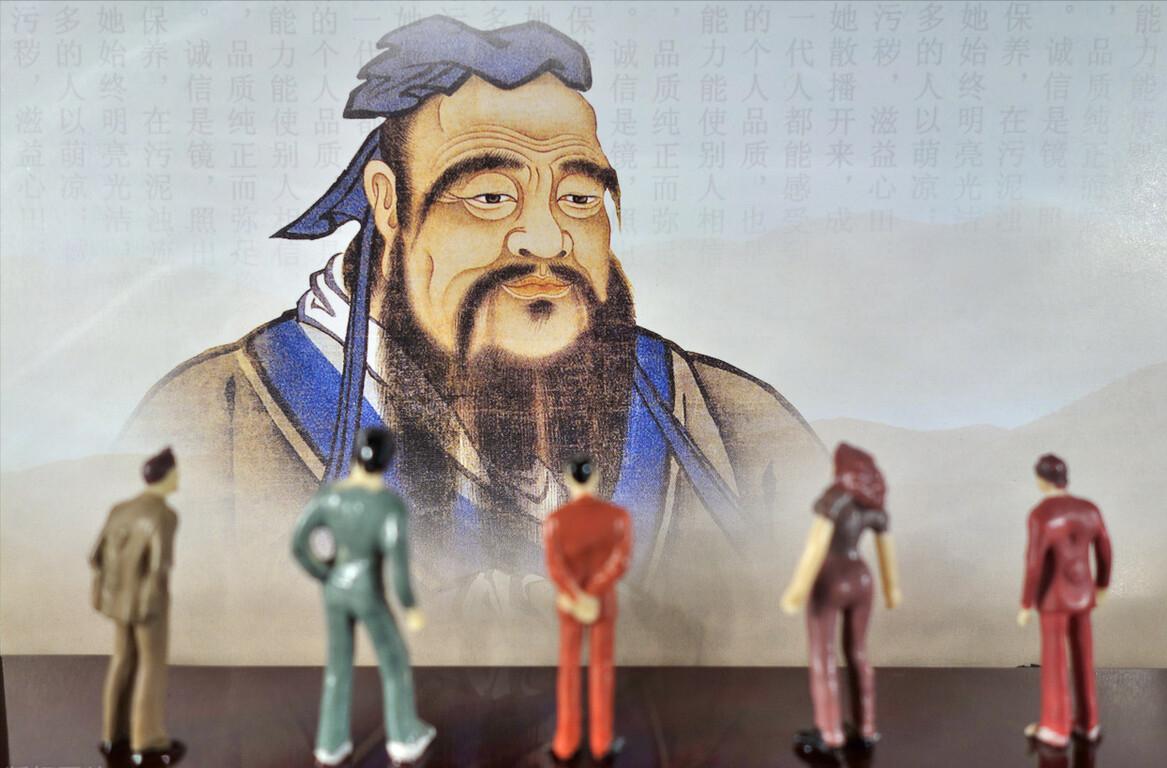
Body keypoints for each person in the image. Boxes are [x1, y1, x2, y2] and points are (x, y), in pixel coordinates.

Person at [117, 17, 827, 655]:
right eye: (490, 197)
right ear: (388, 202)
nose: (545, 238)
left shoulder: (730, 424)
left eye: (579, 197)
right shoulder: (213, 419)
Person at [291, 427, 436, 767]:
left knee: (337, 666)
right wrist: (410, 607)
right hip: (367, 592)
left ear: (355, 454)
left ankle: (330, 744)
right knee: (394, 661)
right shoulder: (388, 505)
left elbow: (299, 544)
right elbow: (398, 569)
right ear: (387, 461)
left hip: (335, 590)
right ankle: (403, 737)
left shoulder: (330, 497)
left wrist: (324, 572)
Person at [779, 443, 901, 757]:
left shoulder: (835, 499)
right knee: (858, 652)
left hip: (831, 579)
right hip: (862, 578)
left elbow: (815, 546)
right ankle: (866, 727)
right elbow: (886, 552)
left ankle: (830, 731)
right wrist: (892, 590)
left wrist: (796, 590)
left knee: (823, 655)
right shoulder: (872, 504)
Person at [89, 447, 186, 766]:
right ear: (166, 476)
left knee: (121, 661)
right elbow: (159, 566)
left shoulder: (120, 509)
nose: (179, 478)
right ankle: (147, 741)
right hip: (148, 603)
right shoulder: (165, 515)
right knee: (151, 666)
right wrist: (150, 603)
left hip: (117, 600)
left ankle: (112, 734)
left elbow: (95, 556)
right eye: (176, 473)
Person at [1017, 453, 1112, 748]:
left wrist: (1026, 602)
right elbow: (1105, 548)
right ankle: (1088, 722)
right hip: (1083, 594)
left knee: (1054, 661)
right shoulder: (1089, 509)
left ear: (1042, 480)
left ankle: (1056, 726)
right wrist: (1102, 584)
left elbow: (1034, 562)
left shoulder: (1041, 514)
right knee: (1084, 657)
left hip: (1053, 598)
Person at [544, 456, 632, 763]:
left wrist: (575, 595)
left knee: (568, 669)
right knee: (602, 669)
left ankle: (565, 743)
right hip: (601, 604)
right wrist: (592, 594)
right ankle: (601, 742)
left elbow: (555, 565)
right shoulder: (618, 517)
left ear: (568, 479)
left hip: (569, 604)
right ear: (595, 478)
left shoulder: (555, 519)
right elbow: (619, 562)